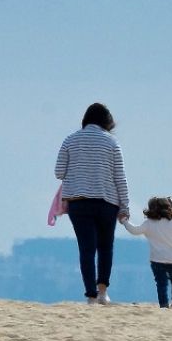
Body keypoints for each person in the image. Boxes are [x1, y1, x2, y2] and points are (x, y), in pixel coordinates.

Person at [55, 103, 129, 305]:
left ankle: (90, 296)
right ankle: (103, 292)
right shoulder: (112, 143)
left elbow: (58, 172)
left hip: (79, 202)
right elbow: (120, 178)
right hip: (107, 201)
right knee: (106, 246)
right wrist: (125, 206)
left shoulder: (70, 140)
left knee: (86, 248)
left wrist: (78, 170)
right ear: (107, 123)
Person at [121, 196, 172, 308]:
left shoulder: (149, 224)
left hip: (157, 260)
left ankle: (163, 305)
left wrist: (125, 221)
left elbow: (135, 230)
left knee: (161, 284)